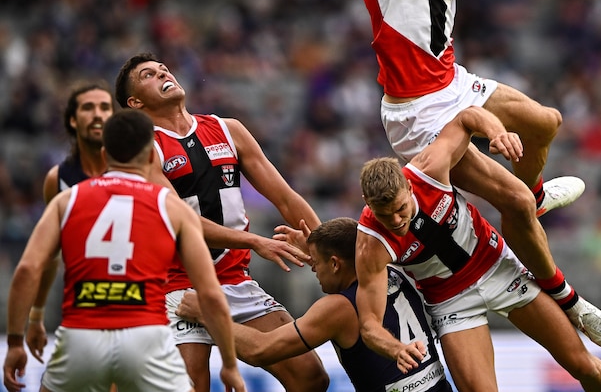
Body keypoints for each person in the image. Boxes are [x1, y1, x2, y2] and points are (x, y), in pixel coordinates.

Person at [339, 0, 601, 349]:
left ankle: (535, 200)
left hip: (452, 82)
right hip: (416, 111)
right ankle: (573, 304)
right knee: (509, 200)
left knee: (546, 121)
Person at [355, 105, 601, 392]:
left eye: (400, 209)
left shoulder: (429, 169)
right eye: (385, 215)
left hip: (500, 270)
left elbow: (467, 116)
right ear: (368, 204)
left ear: (408, 188)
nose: (396, 221)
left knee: (584, 366)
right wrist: (395, 349)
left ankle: (566, 288)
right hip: (452, 303)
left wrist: (497, 133)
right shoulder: (371, 244)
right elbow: (369, 324)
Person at [115, 52, 329, 392]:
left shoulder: (228, 130)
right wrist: (256, 241)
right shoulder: (141, 147)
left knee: (311, 378)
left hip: (234, 280)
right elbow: (181, 221)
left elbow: (285, 198)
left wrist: (323, 247)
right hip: (177, 286)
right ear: (135, 102)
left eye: (163, 69)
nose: (162, 73)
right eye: (148, 75)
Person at [3, 109, 246, 392]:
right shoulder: (172, 208)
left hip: (82, 336)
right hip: (145, 336)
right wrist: (229, 364)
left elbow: (27, 270)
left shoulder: (67, 200)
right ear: (153, 157)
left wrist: (15, 342)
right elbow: (210, 293)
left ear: (105, 156)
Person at [177, 217, 453, 392]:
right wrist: (318, 251)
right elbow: (348, 263)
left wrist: (206, 313)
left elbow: (260, 350)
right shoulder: (389, 271)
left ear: (335, 263)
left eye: (316, 263)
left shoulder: (338, 308)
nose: (312, 269)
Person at [26, 82, 115, 363]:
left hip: (140, 305)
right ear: (73, 120)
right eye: (88, 108)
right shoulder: (58, 179)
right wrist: (37, 312)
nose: (98, 114)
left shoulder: (140, 170)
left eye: (105, 107)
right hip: (84, 308)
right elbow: (49, 255)